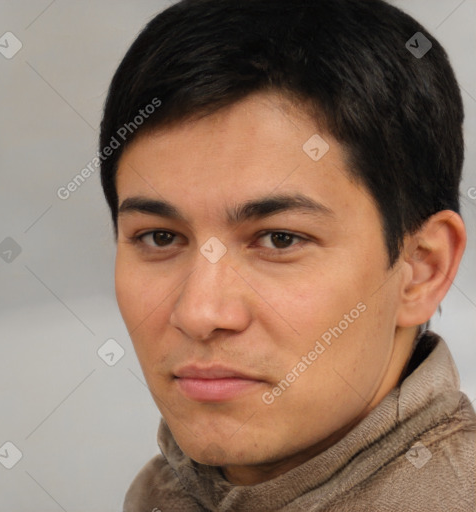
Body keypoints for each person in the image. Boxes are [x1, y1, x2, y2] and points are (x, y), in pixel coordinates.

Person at [99, 0, 476, 510]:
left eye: (279, 239)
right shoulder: (163, 494)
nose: (199, 313)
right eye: (160, 238)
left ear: (422, 269)